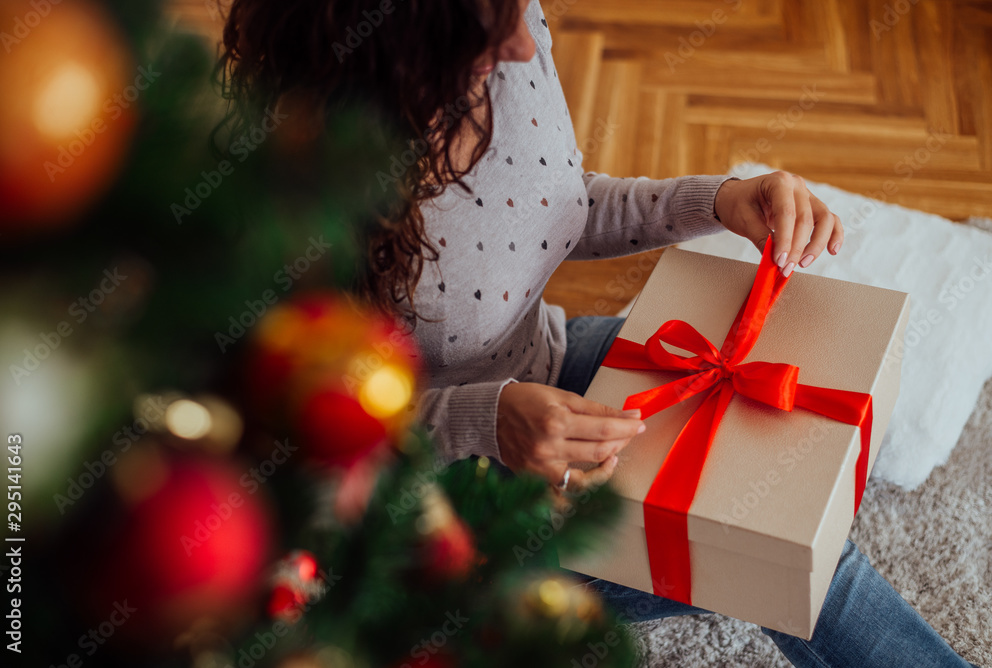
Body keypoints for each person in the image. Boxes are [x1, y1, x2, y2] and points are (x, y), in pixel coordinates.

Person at [218, 1, 977, 665]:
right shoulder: (291, 192)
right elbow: (286, 438)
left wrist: (719, 199)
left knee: (784, 527)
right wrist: (490, 418)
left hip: (556, 364)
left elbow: (556, 208)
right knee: (778, 564)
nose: (524, 42)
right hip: (431, 517)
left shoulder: (509, 32)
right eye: (485, 28)